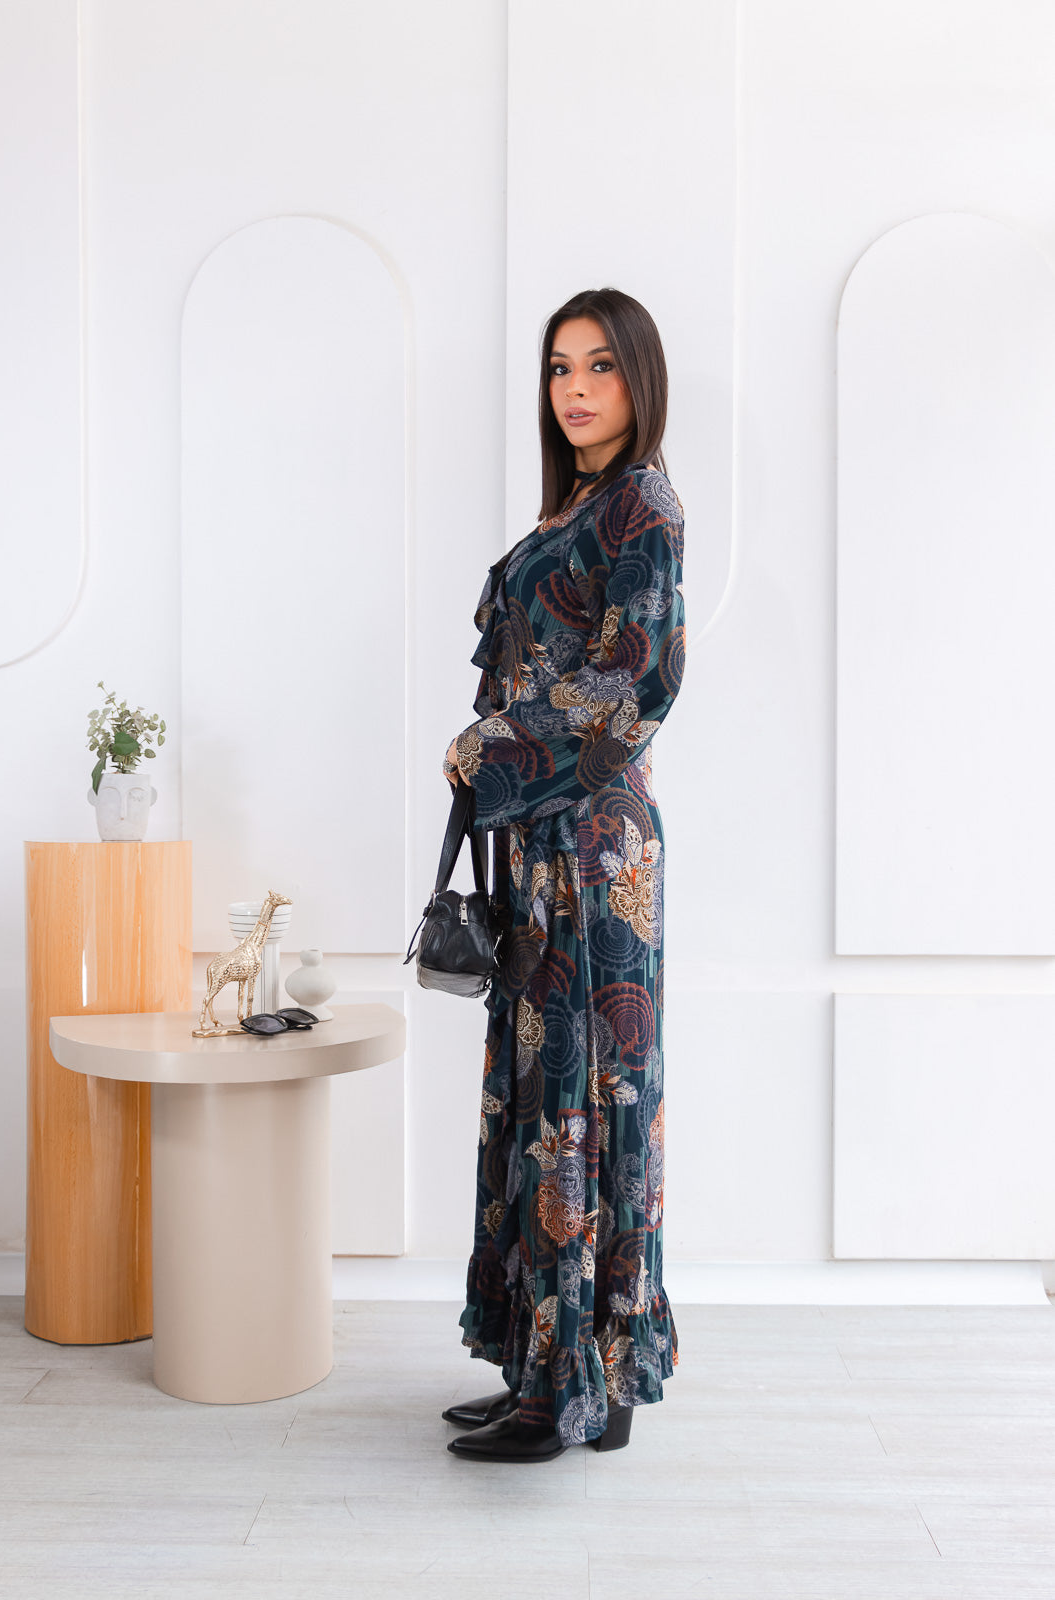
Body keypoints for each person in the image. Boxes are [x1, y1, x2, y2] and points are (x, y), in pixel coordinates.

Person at [440, 287, 686, 1463]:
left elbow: (634, 684)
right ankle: (562, 1368)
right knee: (547, 1102)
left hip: (592, 850)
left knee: (582, 1102)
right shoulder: (578, 504)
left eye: (599, 366)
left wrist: (486, 742)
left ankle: (568, 1388)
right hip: (544, 843)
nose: (575, 388)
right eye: (558, 368)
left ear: (639, 379)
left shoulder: (642, 503)